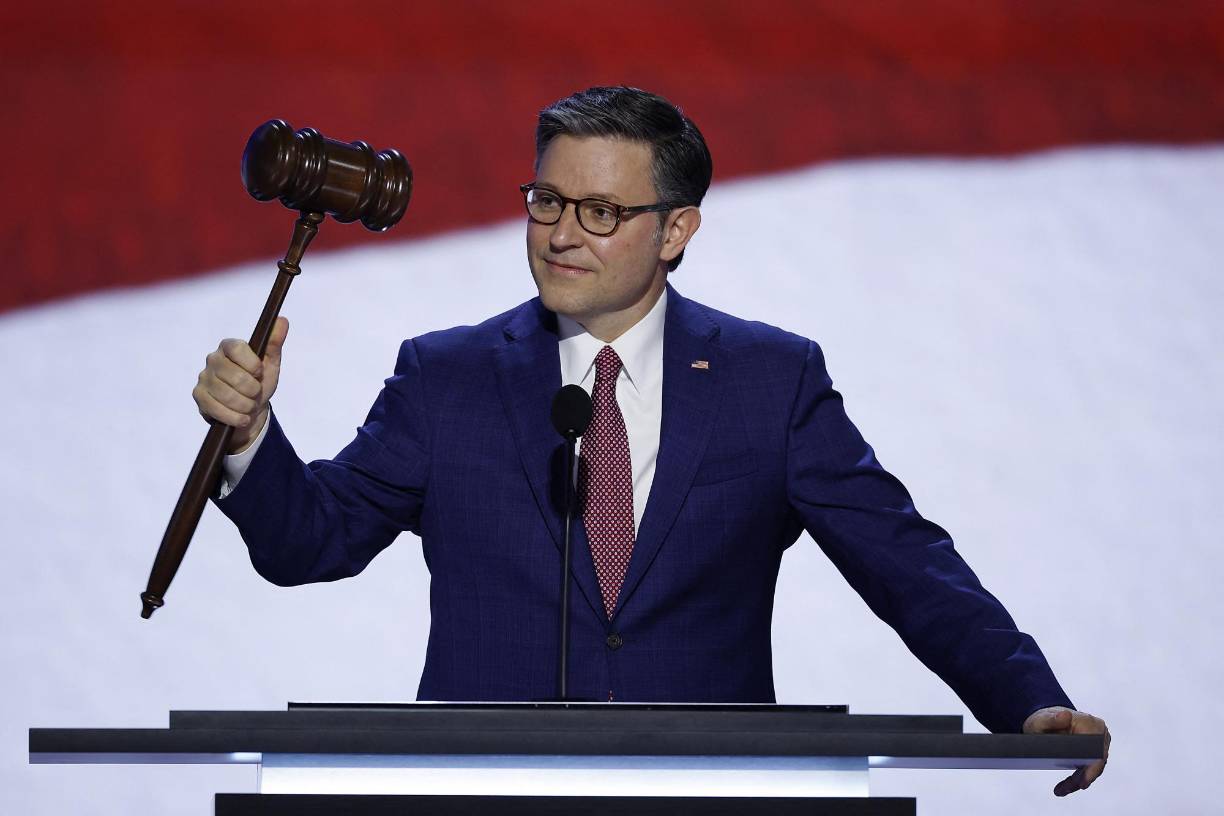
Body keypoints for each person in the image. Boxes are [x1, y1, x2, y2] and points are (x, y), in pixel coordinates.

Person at [195, 86, 1108, 795]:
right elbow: (308, 541)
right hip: (483, 797)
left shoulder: (769, 381)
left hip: (712, 794)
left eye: (600, 212)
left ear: (676, 230)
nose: (559, 235)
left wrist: (1026, 702)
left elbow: (906, 564)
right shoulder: (448, 378)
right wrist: (248, 436)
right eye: (545, 201)